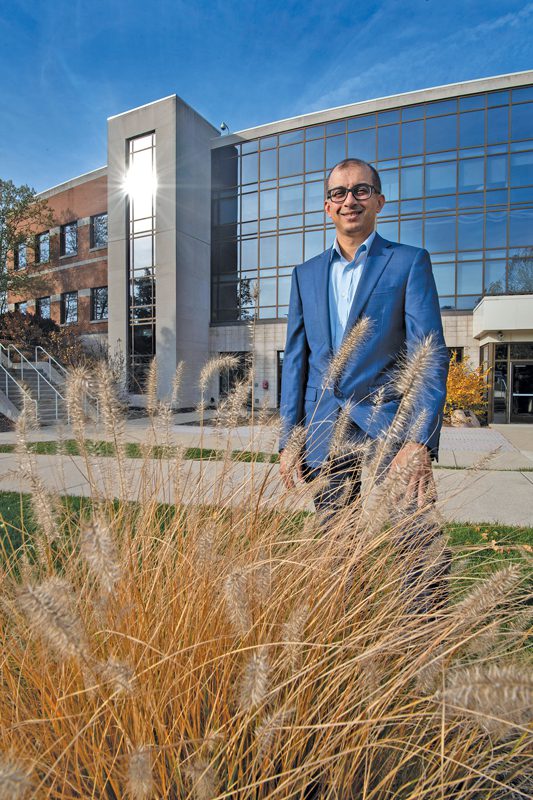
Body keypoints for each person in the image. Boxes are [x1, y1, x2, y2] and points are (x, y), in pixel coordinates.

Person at [279, 158, 449, 511]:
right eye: (338, 193)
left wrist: (419, 439)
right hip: (324, 424)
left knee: (414, 536)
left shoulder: (409, 262)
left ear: (379, 201)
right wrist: (289, 439)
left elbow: (429, 354)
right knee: (335, 540)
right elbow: (296, 361)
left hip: (390, 421)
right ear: (328, 207)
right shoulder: (304, 275)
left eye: (361, 190)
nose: (349, 201)